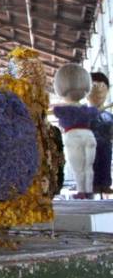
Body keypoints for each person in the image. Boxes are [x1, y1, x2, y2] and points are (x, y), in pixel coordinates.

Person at [52, 64, 98, 199]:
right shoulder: (89, 110)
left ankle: (81, 191)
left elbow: (56, 112)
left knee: (78, 167)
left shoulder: (62, 110)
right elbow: (94, 113)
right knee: (88, 166)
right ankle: (89, 191)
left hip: (73, 137)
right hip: (89, 136)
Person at [88, 72, 113, 195]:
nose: (99, 91)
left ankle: (105, 184)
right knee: (91, 165)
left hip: (106, 145)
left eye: (103, 86)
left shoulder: (109, 116)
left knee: (106, 162)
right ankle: (92, 185)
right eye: (94, 86)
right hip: (89, 146)